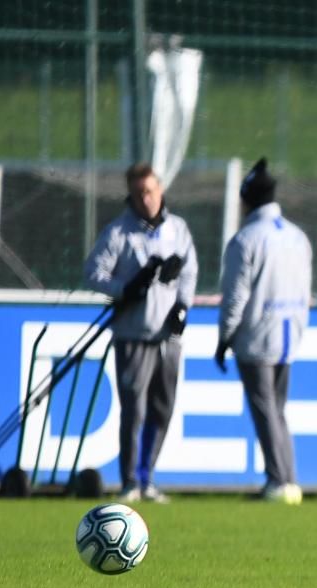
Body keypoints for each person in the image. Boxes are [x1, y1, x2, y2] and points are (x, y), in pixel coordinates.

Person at [84, 162, 198, 503]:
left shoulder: (177, 229)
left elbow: (189, 270)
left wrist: (182, 306)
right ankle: (130, 479)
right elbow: (93, 273)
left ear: (160, 190)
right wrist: (124, 288)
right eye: (138, 193)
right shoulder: (119, 232)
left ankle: (148, 477)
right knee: (135, 408)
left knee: (163, 407)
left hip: (169, 336)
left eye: (149, 191)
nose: (145, 199)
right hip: (134, 333)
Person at [215, 158, 312, 505]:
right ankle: (290, 479)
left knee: (265, 408)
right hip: (289, 334)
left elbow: (235, 296)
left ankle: (278, 481)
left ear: (247, 199)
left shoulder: (246, 239)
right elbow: (304, 291)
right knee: (278, 409)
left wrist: (225, 336)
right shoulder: (297, 237)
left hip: (257, 336)